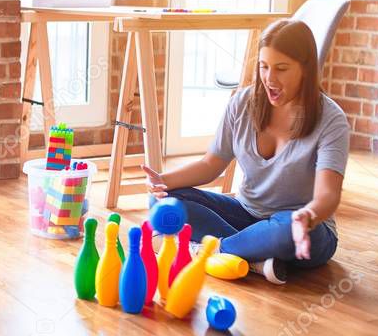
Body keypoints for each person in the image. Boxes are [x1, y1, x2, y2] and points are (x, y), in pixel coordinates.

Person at [144, 19, 349, 283]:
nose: (269, 79)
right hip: (246, 214)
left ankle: (214, 251)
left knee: (284, 230)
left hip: (302, 228)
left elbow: (328, 194)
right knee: (164, 202)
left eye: (281, 69)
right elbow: (210, 165)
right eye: (264, 67)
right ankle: (255, 256)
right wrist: (163, 181)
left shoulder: (331, 120)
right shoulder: (242, 103)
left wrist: (307, 217)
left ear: (306, 69)